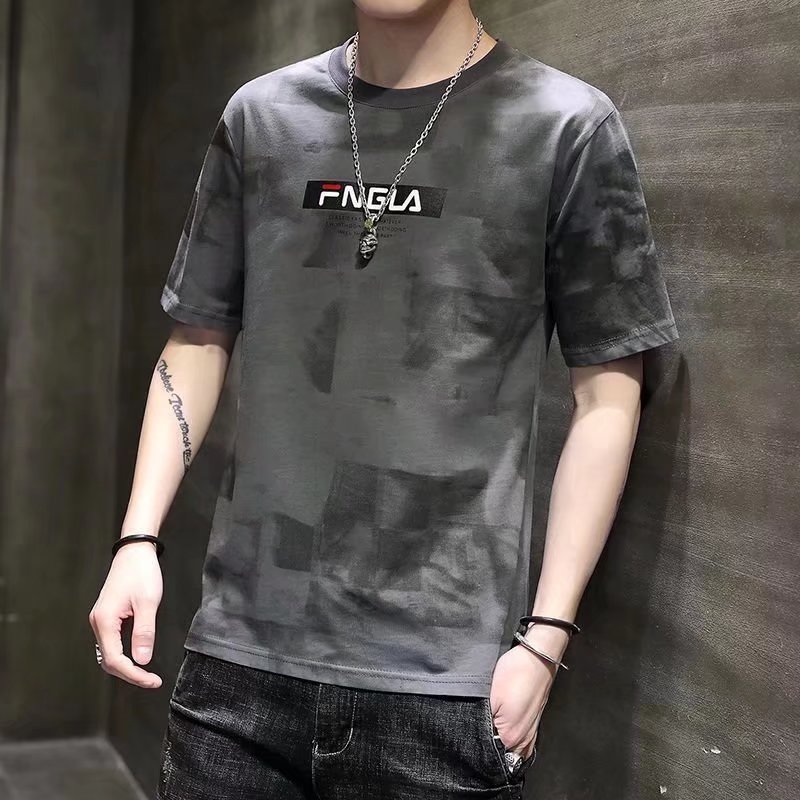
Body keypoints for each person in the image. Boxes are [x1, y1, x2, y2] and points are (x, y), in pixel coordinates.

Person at [88, 1, 680, 797]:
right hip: (238, 673)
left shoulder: (564, 125)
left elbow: (610, 393)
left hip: (443, 691)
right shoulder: (262, 117)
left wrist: (545, 639)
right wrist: (138, 540)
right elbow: (197, 338)